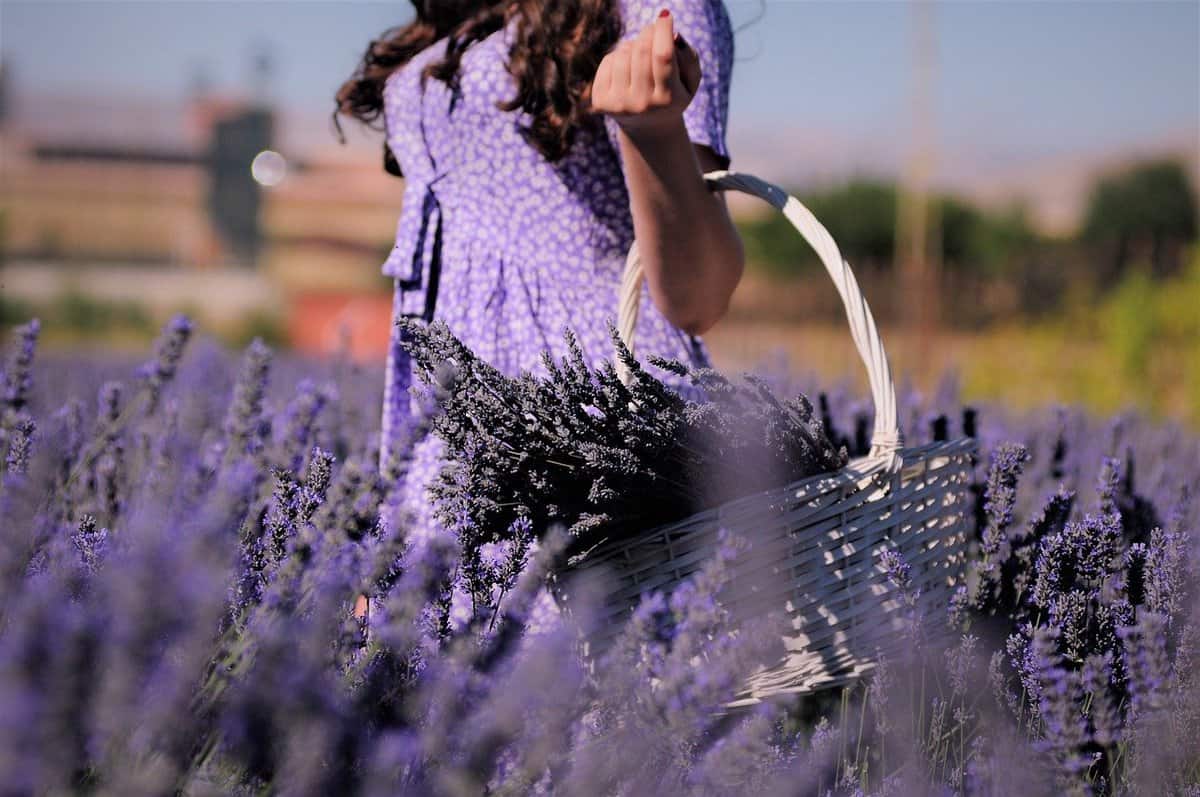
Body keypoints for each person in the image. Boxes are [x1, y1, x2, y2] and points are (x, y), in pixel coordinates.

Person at [334, 0, 744, 620]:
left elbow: (699, 295)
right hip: (453, 421)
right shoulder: (475, 11)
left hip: (574, 425)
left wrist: (655, 133)